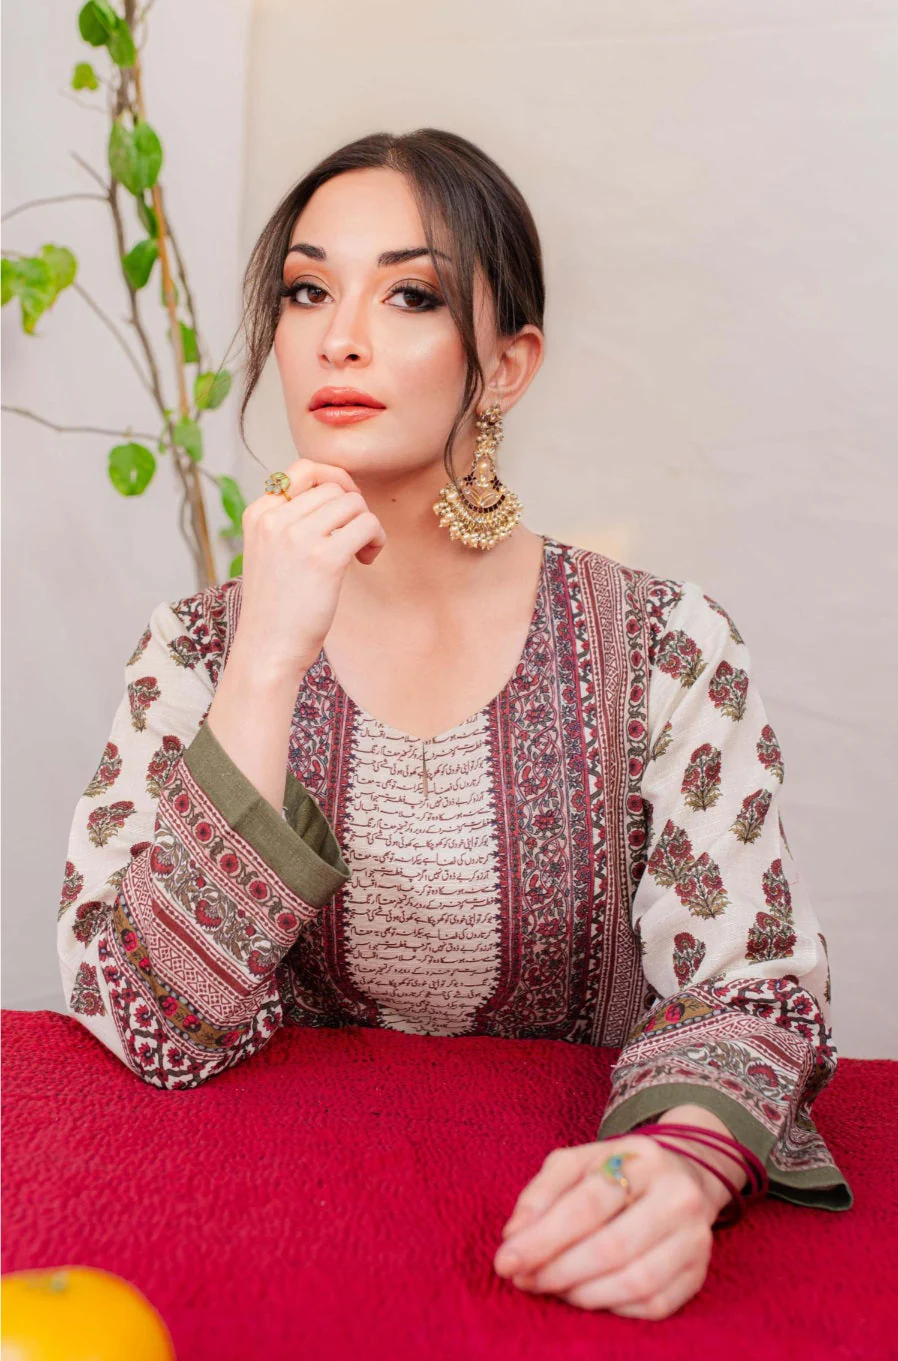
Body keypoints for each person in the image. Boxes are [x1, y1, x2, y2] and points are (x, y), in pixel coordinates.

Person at [56, 128, 852, 1319]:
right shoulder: (196, 650)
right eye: (307, 290)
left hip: (558, 1223)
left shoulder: (664, 646)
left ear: (507, 363)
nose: (339, 337)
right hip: (273, 1230)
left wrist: (678, 1169)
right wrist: (265, 658)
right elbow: (153, 1022)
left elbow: (748, 982)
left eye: (411, 295)